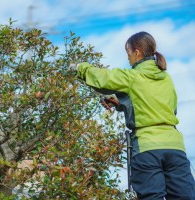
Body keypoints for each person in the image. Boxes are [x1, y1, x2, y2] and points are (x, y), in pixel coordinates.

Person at [73, 31, 195, 200]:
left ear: (137, 52)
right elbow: (169, 109)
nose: (128, 59)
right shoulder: (167, 78)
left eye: (128, 53)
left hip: (147, 148)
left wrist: (80, 67)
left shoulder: (132, 76)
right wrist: (123, 102)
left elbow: (103, 78)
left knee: (152, 197)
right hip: (175, 148)